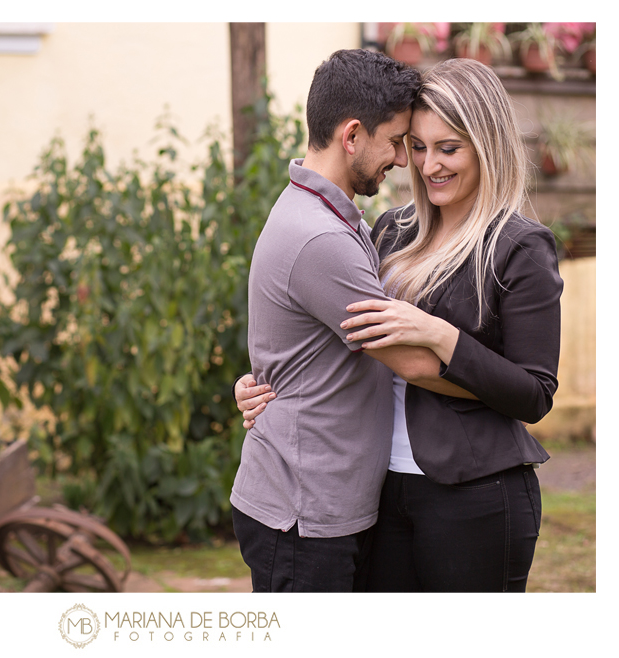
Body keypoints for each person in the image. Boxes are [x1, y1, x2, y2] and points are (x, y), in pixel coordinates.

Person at [235, 57, 563, 592]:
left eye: (449, 148)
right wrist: (271, 386)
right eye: (416, 146)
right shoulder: (391, 231)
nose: (429, 165)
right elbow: (332, 337)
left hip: (473, 494)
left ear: (488, 146)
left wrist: (440, 334)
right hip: (377, 492)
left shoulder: (519, 246)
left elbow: (534, 392)